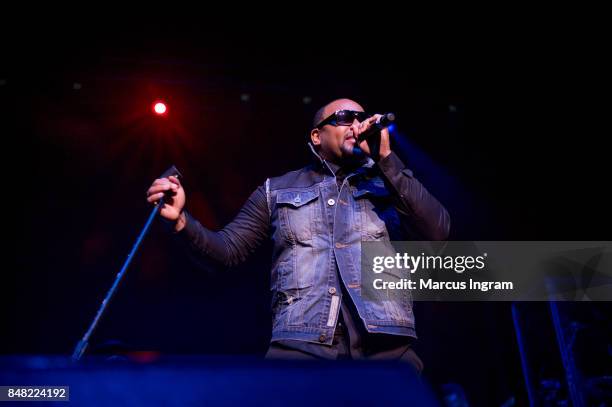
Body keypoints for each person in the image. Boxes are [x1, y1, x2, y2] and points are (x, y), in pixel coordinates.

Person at [146, 98, 450, 372]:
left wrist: (386, 160)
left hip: (386, 349)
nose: (356, 124)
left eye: (361, 117)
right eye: (344, 117)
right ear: (316, 136)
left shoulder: (389, 186)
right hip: (301, 347)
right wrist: (180, 221)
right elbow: (227, 250)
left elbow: (437, 232)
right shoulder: (276, 190)